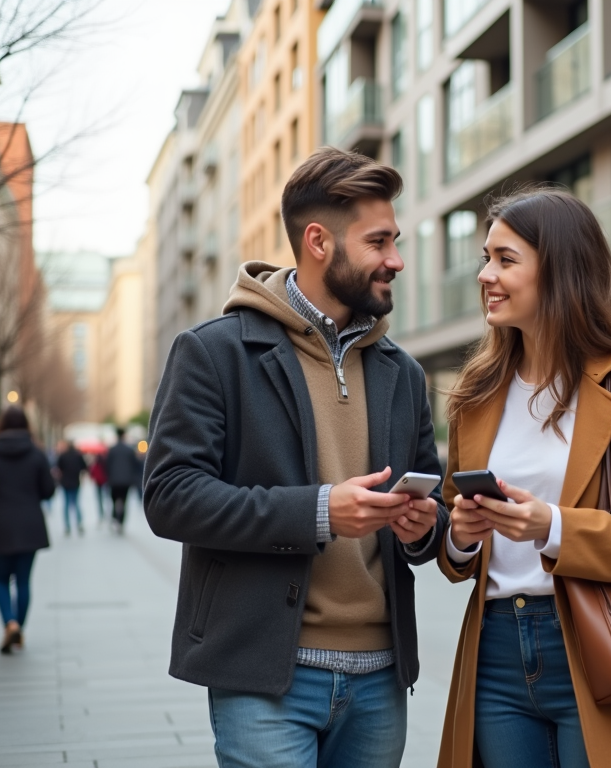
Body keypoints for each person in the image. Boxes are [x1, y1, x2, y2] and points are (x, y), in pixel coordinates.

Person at [144, 147, 447, 768]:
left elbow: (430, 502)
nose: (396, 260)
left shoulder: (404, 373)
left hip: (381, 680)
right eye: (379, 242)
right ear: (318, 241)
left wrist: (426, 526)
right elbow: (170, 495)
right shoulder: (213, 353)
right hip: (263, 675)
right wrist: (318, 512)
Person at [437, 188, 611, 768]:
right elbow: (457, 553)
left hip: (601, 639)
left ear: (560, 268)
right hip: (497, 649)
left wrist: (549, 525)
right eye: (486, 258)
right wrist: (461, 534)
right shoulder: (476, 395)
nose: (485, 275)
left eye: (506, 260)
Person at [0, 407, 56, 654]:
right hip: (30, 525)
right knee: (23, 581)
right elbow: (48, 490)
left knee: (0, 579)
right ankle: (19, 628)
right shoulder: (36, 454)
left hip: (0, 526)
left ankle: (9, 623)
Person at [106, 428, 139, 533]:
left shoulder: (112, 449)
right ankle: (121, 521)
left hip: (114, 481)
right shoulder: (129, 450)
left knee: (114, 500)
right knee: (124, 501)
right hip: (126, 481)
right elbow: (135, 465)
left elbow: (107, 465)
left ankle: (115, 517)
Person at [55, 440, 87, 536]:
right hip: (75, 482)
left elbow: (58, 469)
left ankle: (67, 526)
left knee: (66, 504)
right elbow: (84, 468)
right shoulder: (78, 455)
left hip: (65, 482)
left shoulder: (63, 456)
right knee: (76, 503)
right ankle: (79, 524)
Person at [88, 452, 108, 523]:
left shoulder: (95, 464)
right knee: (106, 499)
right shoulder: (105, 463)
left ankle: (101, 514)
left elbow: (92, 473)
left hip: (98, 483)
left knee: (99, 500)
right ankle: (107, 513)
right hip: (105, 482)